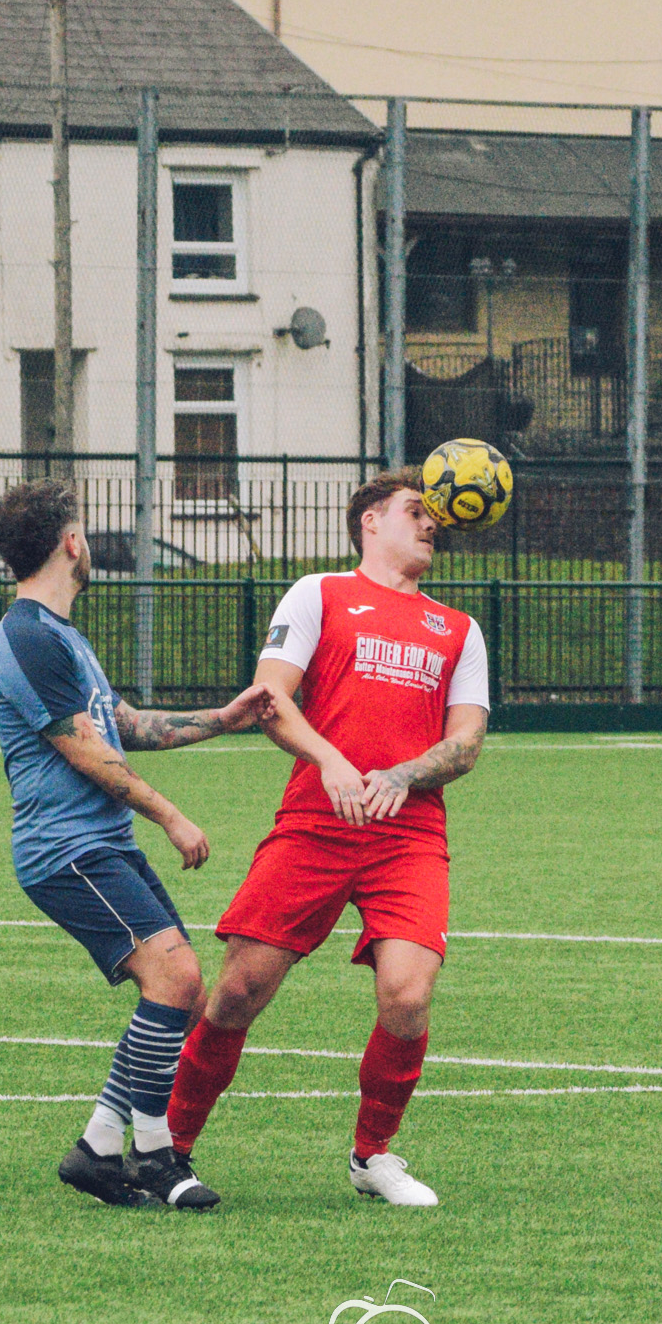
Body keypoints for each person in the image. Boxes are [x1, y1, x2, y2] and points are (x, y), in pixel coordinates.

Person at [165, 470, 490, 1209]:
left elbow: (467, 742)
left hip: (409, 831)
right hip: (315, 821)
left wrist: (403, 773)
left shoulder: (458, 629)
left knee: (407, 995)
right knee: (238, 993)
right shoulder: (319, 592)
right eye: (415, 509)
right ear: (370, 520)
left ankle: (373, 1155)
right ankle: (169, 1149)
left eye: (436, 515)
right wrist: (334, 761)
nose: (430, 522)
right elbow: (269, 697)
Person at [0, 480, 272, 1211]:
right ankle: (155, 1155)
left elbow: (127, 726)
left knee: (178, 983)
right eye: (83, 530)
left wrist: (224, 717)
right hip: (67, 849)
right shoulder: (28, 635)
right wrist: (172, 816)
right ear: (70, 542)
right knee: (175, 979)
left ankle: (99, 1150)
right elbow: (89, 754)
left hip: (96, 844)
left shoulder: (61, 635)